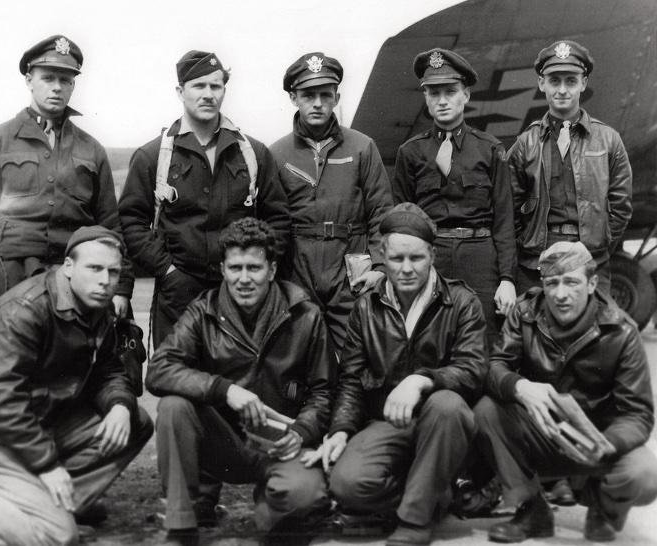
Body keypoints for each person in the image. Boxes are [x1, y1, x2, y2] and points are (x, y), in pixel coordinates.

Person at [0, 226, 154, 546]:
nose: (105, 280)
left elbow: (110, 370)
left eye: (113, 272)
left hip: (40, 420)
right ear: (68, 267)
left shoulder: (99, 307)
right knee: (59, 537)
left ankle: (48, 505)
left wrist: (119, 406)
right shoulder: (25, 310)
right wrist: (46, 465)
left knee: (135, 423)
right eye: (95, 268)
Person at [303, 203, 488, 545]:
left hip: (443, 425)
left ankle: (414, 522)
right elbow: (351, 380)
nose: (405, 269)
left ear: (432, 255)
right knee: (347, 484)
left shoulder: (462, 301)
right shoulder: (366, 306)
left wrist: (422, 380)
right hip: (388, 424)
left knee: (447, 404)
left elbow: (473, 368)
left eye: (416, 258)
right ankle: (436, 492)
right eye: (396, 259)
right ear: (382, 257)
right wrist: (342, 429)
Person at [145, 218, 335, 546]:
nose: (243, 279)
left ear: (272, 270)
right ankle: (182, 522)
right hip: (226, 444)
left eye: (253, 268)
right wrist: (225, 389)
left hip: (282, 444)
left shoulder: (305, 314)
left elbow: (324, 391)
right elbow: (159, 369)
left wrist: (302, 431)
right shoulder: (203, 310)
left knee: (300, 502)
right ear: (222, 269)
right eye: (235, 268)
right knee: (174, 406)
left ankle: (273, 504)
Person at [474, 241, 657, 543]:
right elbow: (495, 366)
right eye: (552, 283)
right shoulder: (525, 313)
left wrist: (606, 444)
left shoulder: (621, 331)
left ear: (591, 284)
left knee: (645, 474)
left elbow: (638, 413)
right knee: (486, 411)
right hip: (543, 433)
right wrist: (520, 386)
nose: (560, 294)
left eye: (571, 282)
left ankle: (602, 507)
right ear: (542, 284)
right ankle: (532, 510)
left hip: (597, 438)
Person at [119, 50, 291, 349]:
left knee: (240, 382)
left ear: (224, 90)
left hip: (241, 292)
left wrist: (253, 269)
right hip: (178, 293)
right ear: (180, 91)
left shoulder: (253, 153)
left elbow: (277, 219)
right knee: (177, 384)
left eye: (216, 86)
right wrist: (166, 270)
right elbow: (131, 221)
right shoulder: (153, 155)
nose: (208, 94)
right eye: (199, 86)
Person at [0, 35, 132, 327]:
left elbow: (109, 224)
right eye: (48, 78)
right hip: (10, 274)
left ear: (73, 85)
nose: (56, 87)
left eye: (65, 80)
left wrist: (122, 288)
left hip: (72, 277)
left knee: (71, 365)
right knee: (11, 363)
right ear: (29, 80)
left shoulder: (91, 149)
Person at [269, 52, 393, 352]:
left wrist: (379, 266)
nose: (317, 103)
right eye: (308, 95)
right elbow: (272, 220)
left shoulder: (363, 147)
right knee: (300, 353)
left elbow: (381, 211)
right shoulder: (276, 153)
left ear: (336, 97)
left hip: (350, 263)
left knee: (356, 351)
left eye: (326, 95)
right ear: (293, 98)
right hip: (299, 265)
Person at [392, 48, 516, 347]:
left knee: (485, 340)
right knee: (428, 340)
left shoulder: (490, 149)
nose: (443, 100)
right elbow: (403, 222)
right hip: (431, 260)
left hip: (480, 257)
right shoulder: (410, 153)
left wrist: (507, 279)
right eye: (434, 93)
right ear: (426, 98)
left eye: (451, 91)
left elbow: (504, 218)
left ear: (466, 96)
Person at [509, 40, 632, 295]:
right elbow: (508, 206)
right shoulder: (525, 143)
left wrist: (598, 249)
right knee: (535, 332)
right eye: (554, 81)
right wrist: (529, 245)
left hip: (591, 257)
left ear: (583, 83)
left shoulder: (609, 140)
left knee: (594, 331)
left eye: (571, 81)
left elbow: (621, 206)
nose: (562, 90)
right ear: (542, 83)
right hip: (536, 261)